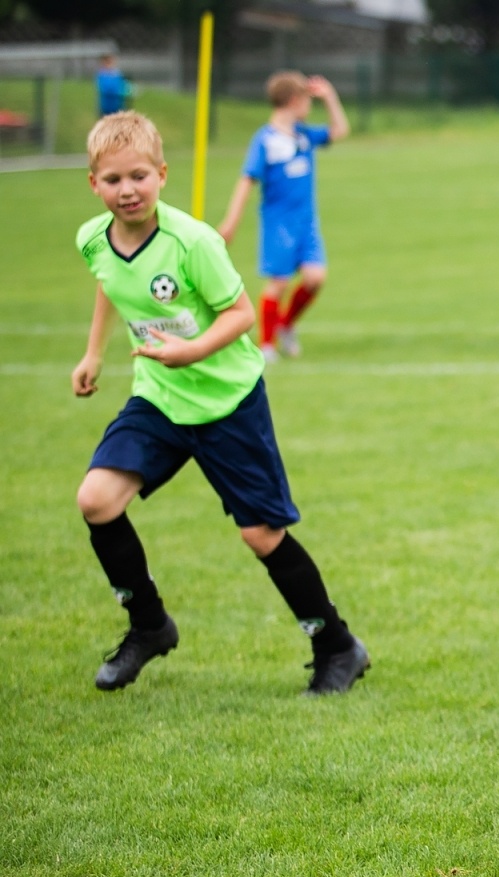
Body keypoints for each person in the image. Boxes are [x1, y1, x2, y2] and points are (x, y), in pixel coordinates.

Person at [72, 112, 369, 696]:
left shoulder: (194, 242)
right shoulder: (91, 239)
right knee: (96, 500)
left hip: (228, 402)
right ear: (93, 184)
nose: (127, 190)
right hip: (159, 398)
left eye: (138, 176)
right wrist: (93, 354)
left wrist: (193, 351)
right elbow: (111, 283)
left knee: (261, 535)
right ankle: (149, 625)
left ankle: (336, 644)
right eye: (113, 180)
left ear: (161, 175)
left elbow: (241, 314)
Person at [217, 71, 349, 362]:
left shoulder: (303, 134)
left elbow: (339, 130)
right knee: (279, 283)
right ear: (293, 100)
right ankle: (266, 346)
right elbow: (246, 180)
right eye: (307, 100)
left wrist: (330, 98)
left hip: (307, 223)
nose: (309, 107)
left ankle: (286, 325)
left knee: (315, 278)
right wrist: (231, 221)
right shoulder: (265, 140)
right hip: (279, 225)